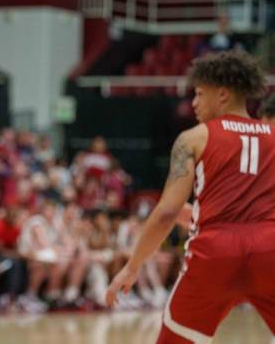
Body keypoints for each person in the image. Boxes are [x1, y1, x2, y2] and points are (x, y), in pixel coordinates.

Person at [107, 50, 275, 343]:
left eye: (199, 94)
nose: (193, 103)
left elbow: (166, 213)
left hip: (214, 251)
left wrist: (133, 267)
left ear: (222, 95)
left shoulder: (193, 138)